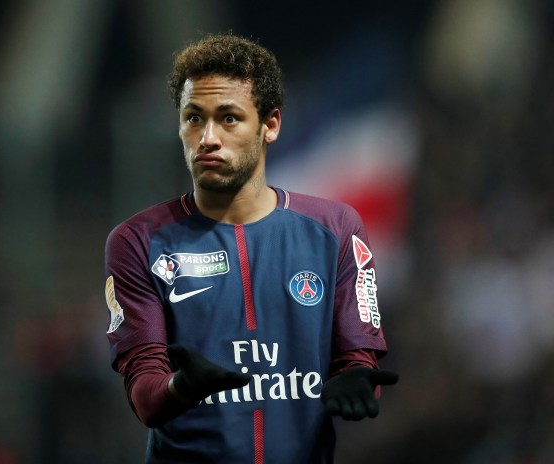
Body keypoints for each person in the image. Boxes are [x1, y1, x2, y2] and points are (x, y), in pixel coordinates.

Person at [104, 32, 398, 463]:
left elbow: (359, 358)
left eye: (228, 118)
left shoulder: (336, 228)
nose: (207, 137)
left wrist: (357, 376)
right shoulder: (138, 240)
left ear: (270, 125)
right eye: (193, 117)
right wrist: (182, 386)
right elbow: (146, 396)